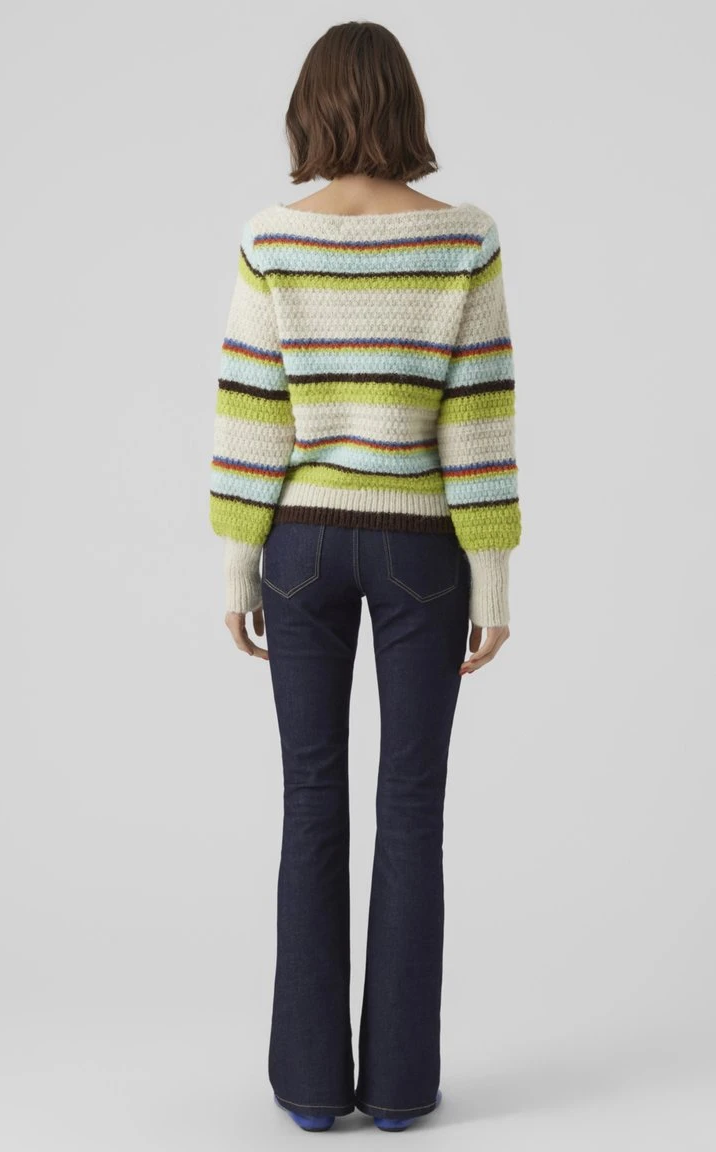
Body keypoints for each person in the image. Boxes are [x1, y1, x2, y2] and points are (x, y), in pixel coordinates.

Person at [208, 20, 522, 1133]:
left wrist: (239, 567)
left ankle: (307, 1089)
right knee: (412, 808)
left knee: (309, 802)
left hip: (298, 549)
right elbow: (477, 419)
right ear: (404, 106)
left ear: (312, 110)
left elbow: (252, 410)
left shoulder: (271, 237)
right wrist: (490, 582)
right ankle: (397, 1091)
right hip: (421, 552)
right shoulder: (464, 238)